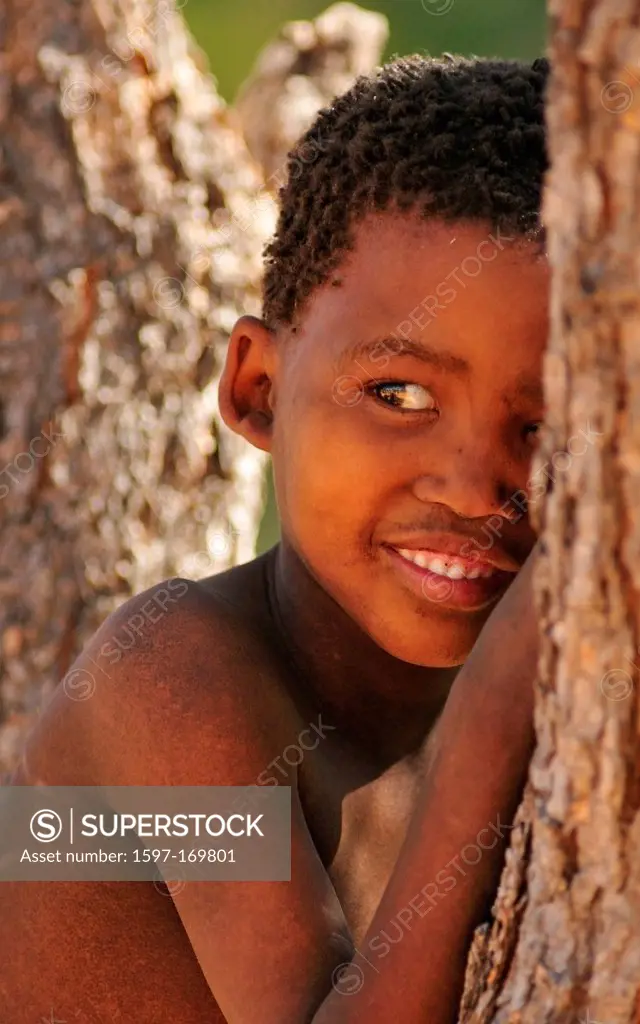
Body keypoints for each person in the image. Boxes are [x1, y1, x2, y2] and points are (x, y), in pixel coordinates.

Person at [0, 53, 550, 1023]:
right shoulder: (165, 669)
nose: (476, 488)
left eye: (548, 429)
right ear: (256, 388)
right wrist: (498, 701)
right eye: (399, 395)